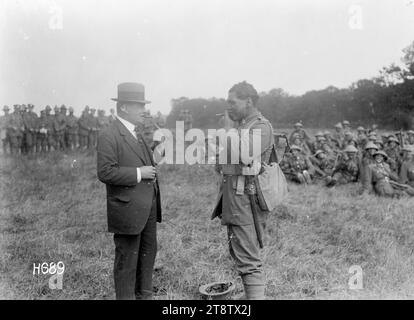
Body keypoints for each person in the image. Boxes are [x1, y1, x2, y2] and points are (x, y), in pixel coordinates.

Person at [97, 82, 161, 300]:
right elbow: (105, 172)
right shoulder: (109, 134)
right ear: (123, 107)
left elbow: (145, 163)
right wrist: (139, 173)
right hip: (127, 210)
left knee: (147, 255)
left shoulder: (138, 133)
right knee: (127, 262)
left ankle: (145, 296)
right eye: (139, 105)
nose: (144, 110)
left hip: (147, 206)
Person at [211, 81, 274, 300]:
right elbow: (222, 162)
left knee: (248, 258)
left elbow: (245, 155)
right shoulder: (242, 126)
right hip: (235, 198)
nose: (228, 106)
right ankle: (250, 295)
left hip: (247, 200)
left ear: (248, 101)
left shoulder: (260, 126)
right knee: (240, 251)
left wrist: (228, 131)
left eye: (232, 102)